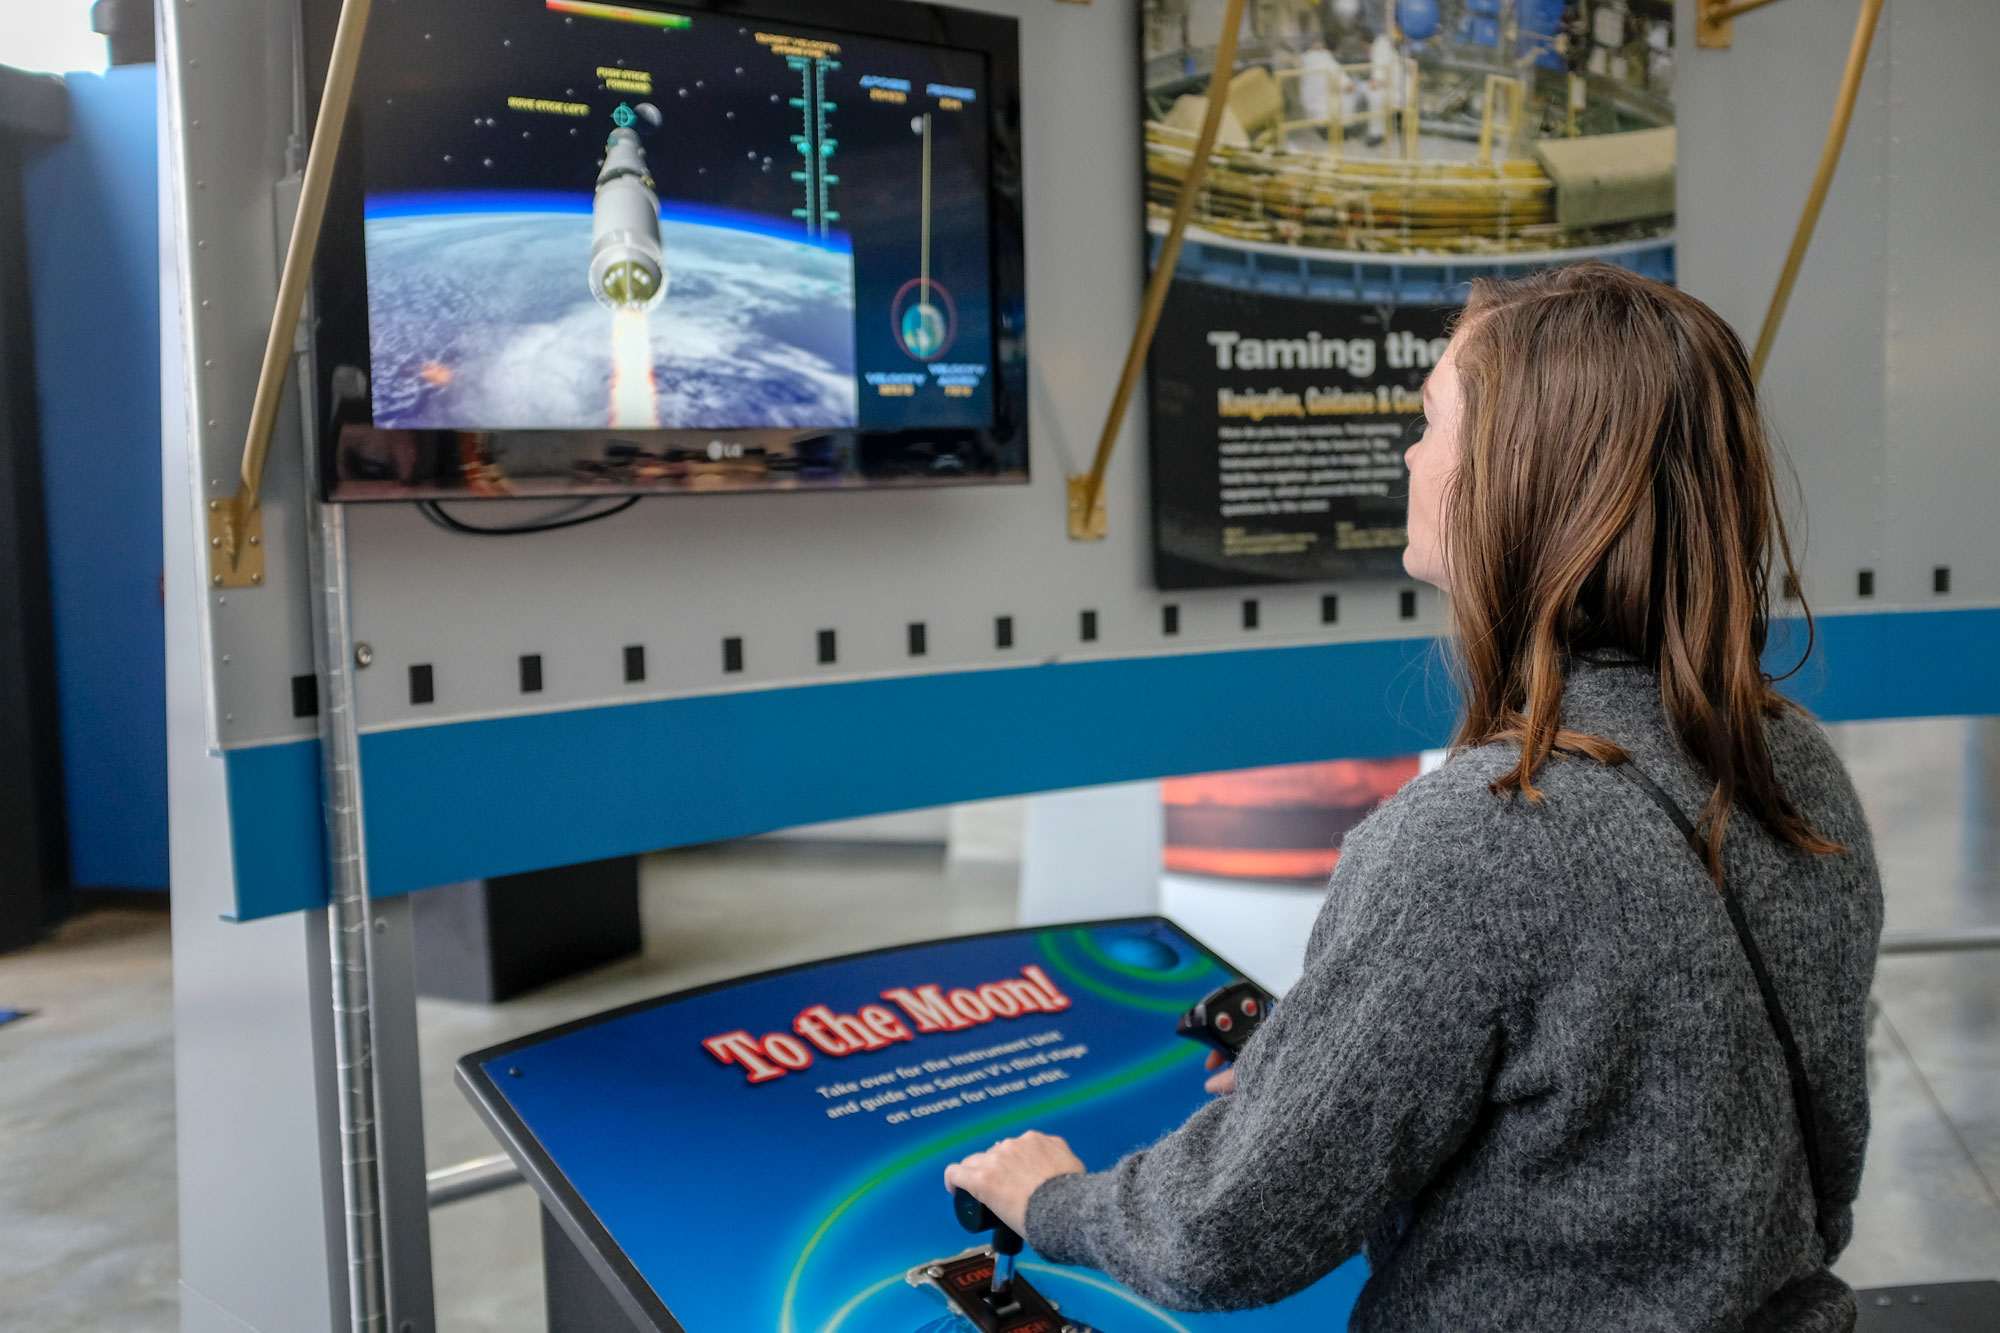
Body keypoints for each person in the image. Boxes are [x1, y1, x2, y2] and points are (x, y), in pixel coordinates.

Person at [944, 262, 1883, 1330]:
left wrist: (1055, 1198)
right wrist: (1325, 1065)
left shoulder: (1477, 836)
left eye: (1431, 420)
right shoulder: (1790, 759)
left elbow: (1217, 1236)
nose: (1408, 452)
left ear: (1516, 475)